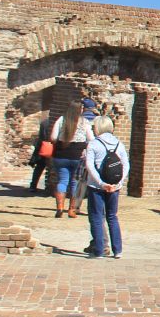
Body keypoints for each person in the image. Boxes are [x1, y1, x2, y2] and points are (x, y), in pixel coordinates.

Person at [82, 115, 126, 259]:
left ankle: (99, 250)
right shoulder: (119, 144)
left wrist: (101, 183)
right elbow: (126, 165)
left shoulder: (94, 144)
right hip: (114, 186)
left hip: (97, 186)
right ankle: (118, 250)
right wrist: (118, 183)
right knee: (112, 217)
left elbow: (89, 165)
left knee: (96, 217)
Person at [49, 101, 97, 219]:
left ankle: (60, 208)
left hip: (61, 154)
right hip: (77, 156)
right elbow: (91, 139)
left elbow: (53, 137)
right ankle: (72, 210)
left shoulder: (61, 120)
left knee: (62, 181)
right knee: (75, 182)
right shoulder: (84, 122)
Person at [67, 98, 100, 217]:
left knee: (80, 182)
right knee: (94, 183)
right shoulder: (97, 120)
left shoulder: (78, 120)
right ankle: (95, 208)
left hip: (82, 153)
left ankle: (75, 206)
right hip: (95, 154)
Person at [28, 110, 53, 192]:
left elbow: (41, 136)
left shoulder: (44, 122)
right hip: (50, 146)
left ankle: (33, 185)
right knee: (47, 167)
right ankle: (50, 187)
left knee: (39, 167)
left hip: (43, 146)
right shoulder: (53, 123)